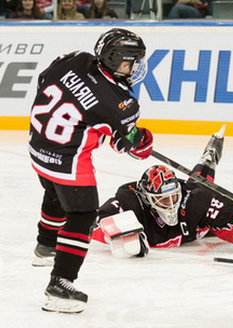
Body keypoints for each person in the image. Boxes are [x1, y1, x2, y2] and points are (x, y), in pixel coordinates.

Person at [29, 28, 152, 313]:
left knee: (55, 193)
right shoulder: (121, 104)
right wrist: (144, 140)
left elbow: (43, 80)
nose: (135, 67)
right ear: (114, 59)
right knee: (82, 215)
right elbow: (128, 146)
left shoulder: (74, 58)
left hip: (37, 147)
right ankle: (60, 285)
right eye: (130, 61)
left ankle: (45, 246)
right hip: (69, 160)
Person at [92, 119, 233, 258]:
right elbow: (95, 223)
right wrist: (119, 233)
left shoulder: (196, 202)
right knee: (198, 188)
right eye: (163, 200)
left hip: (203, 221)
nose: (170, 204)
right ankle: (210, 155)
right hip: (194, 202)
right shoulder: (130, 201)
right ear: (147, 198)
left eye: (173, 197)